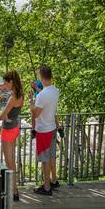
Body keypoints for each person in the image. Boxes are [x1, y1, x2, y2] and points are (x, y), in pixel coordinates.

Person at [29, 65, 60, 195]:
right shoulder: (55, 90)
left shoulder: (41, 95)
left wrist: (31, 104)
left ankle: (46, 187)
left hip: (43, 130)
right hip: (52, 127)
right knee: (51, 156)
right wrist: (37, 89)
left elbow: (35, 114)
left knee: (45, 159)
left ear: (41, 77)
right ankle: (54, 180)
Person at [0, 71, 24, 201]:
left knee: (9, 162)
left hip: (8, 131)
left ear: (11, 82)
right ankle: (13, 188)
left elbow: (1, 116)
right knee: (11, 160)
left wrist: (2, 113)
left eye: (6, 82)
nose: (4, 84)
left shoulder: (13, 96)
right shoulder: (21, 94)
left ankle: (13, 191)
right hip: (14, 127)